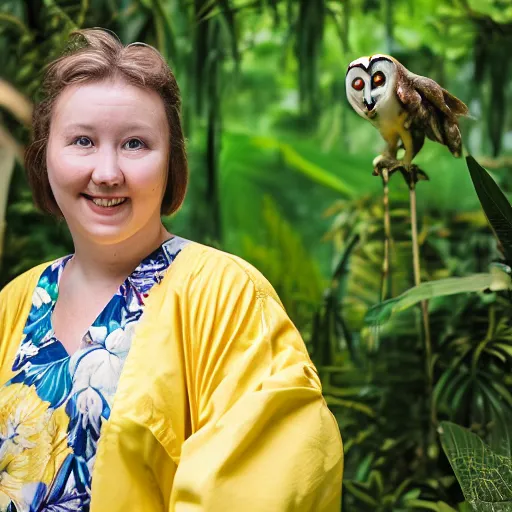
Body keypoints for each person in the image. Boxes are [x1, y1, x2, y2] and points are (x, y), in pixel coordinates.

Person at [0, 28, 343, 512]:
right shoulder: (16, 301)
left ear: (171, 164)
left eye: (135, 144)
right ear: (45, 156)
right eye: (81, 141)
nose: (107, 172)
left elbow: (266, 483)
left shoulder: (227, 296)